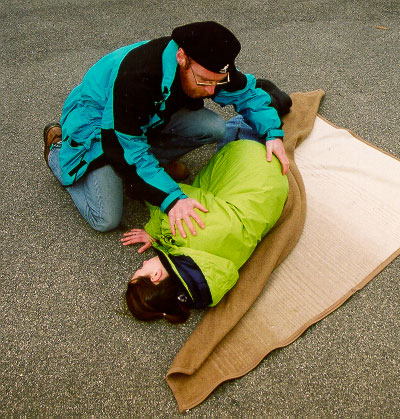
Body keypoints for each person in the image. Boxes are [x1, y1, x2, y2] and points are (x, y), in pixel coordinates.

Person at [43, 21, 291, 236]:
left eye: (217, 82)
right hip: (97, 123)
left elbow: (247, 94)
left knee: (214, 127)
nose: (211, 91)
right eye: (204, 81)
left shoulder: (210, 65)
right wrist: (172, 199)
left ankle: (151, 171)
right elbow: (125, 147)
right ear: (182, 58)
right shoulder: (136, 79)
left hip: (146, 117)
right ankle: (56, 149)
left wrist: (272, 133)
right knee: (106, 218)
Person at [121, 125, 289, 323]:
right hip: (254, 160)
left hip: (275, 190)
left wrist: (159, 240)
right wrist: (153, 229)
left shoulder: (208, 281)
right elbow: (167, 197)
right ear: (156, 276)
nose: (143, 263)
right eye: (141, 270)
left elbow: (187, 249)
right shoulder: (190, 233)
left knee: (205, 195)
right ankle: (249, 123)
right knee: (183, 196)